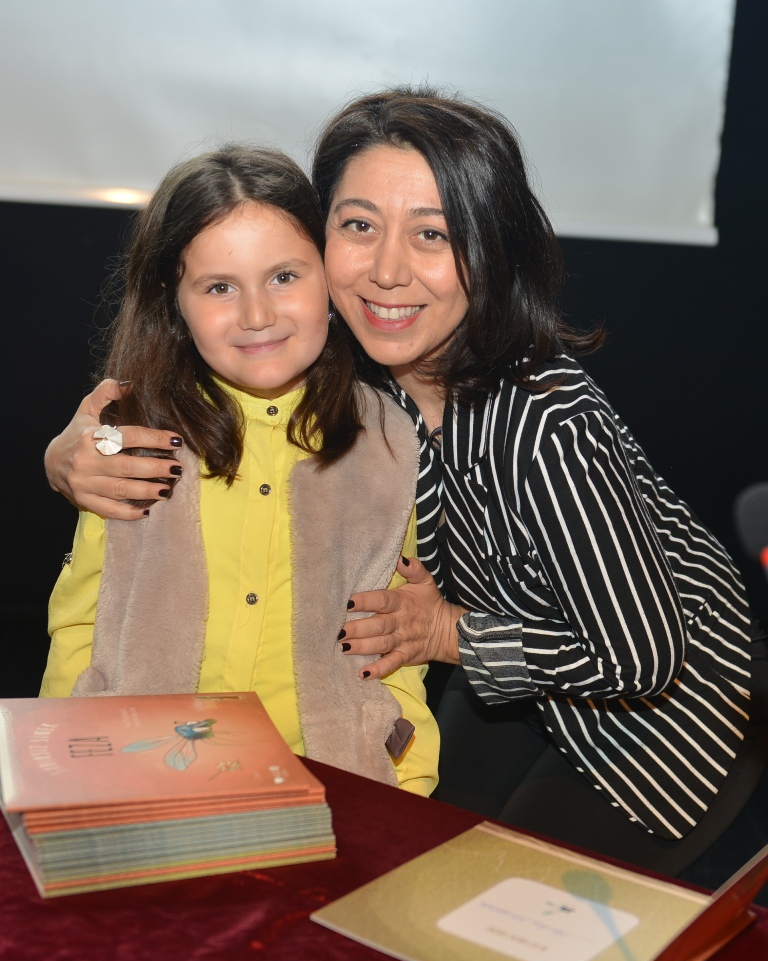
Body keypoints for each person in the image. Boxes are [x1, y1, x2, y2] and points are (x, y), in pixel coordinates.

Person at [44, 88, 767, 874]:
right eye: (360, 226)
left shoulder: (545, 424)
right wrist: (75, 453)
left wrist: (447, 633)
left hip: (671, 712)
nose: (387, 271)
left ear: (489, 251)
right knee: (421, 866)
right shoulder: (362, 371)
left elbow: (642, 654)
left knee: (493, 903)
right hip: (515, 680)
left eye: (432, 234)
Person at [41, 144, 438, 796]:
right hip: (143, 779)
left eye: (284, 277)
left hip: (331, 785)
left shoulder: (389, 441)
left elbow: (394, 642)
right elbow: (81, 622)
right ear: (174, 301)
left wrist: (409, 791)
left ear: (330, 277)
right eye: (220, 287)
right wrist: (56, 777)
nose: (257, 315)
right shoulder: (130, 436)